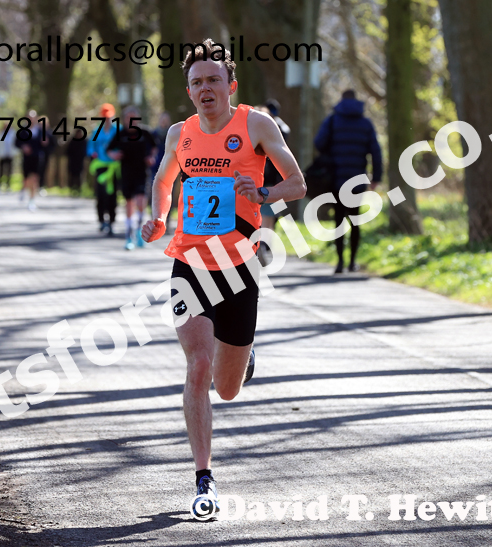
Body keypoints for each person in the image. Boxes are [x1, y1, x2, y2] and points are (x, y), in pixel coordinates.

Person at [141, 38, 306, 513]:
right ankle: (204, 479)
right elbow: (163, 180)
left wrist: (264, 193)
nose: (206, 88)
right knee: (197, 365)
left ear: (230, 86)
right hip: (189, 262)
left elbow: (298, 183)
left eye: (214, 80)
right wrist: (158, 216)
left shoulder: (256, 124)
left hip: (238, 267)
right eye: (197, 82)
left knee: (227, 388)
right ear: (189, 91)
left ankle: (243, 357)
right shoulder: (179, 133)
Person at [314, 89, 382, 274]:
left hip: (336, 178)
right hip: (357, 180)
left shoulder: (332, 121)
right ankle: (352, 262)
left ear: (341, 100)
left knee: (339, 221)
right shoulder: (366, 123)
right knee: (355, 220)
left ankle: (339, 262)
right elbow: (376, 151)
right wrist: (376, 177)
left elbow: (319, 143)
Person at [107, 106, 156, 250]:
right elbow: (109, 149)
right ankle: (129, 236)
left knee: (140, 202)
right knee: (129, 203)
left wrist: (151, 157)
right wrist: (114, 155)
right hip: (126, 173)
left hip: (142, 172)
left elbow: (155, 146)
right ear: (124, 119)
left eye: (134, 118)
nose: (132, 121)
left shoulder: (145, 132)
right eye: (129, 118)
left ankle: (140, 231)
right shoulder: (120, 134)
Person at [258, 99, 290, 266]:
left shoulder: (257, 130)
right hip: (274, 181)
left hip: (263, 180)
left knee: (265, 216)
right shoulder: (281, 129)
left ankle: (261, 246)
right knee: (269, 217)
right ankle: (264, 245)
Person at [87, 103, 121, 236]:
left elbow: (123, 145)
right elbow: (90, 147)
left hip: (114, 166)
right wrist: (93, 153)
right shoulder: (96, 131)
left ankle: (111, 221)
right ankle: (101, 220)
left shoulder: (118, 130)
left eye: (109, 117)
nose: (107, 119)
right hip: (101, 166)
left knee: (112, 194)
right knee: (101, 193)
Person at [15, 110, 43, 211]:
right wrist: (23, 147)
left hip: (37, 157)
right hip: (26, 158)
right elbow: (17, 143)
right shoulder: (23, 131)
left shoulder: (40, 130)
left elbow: (47, 144)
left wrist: (45, 143)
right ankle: (23, 190)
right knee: (26, 178)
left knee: (34, 178)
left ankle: (32, 200)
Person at [0, 121, 16, 192]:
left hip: (10, 154)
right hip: (2, 154)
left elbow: (15, 144)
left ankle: (8, 184)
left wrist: (15, 153)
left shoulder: (13, 134)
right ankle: (0, 183)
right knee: (1, 170)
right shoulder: (0, 133)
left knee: (9, 170)